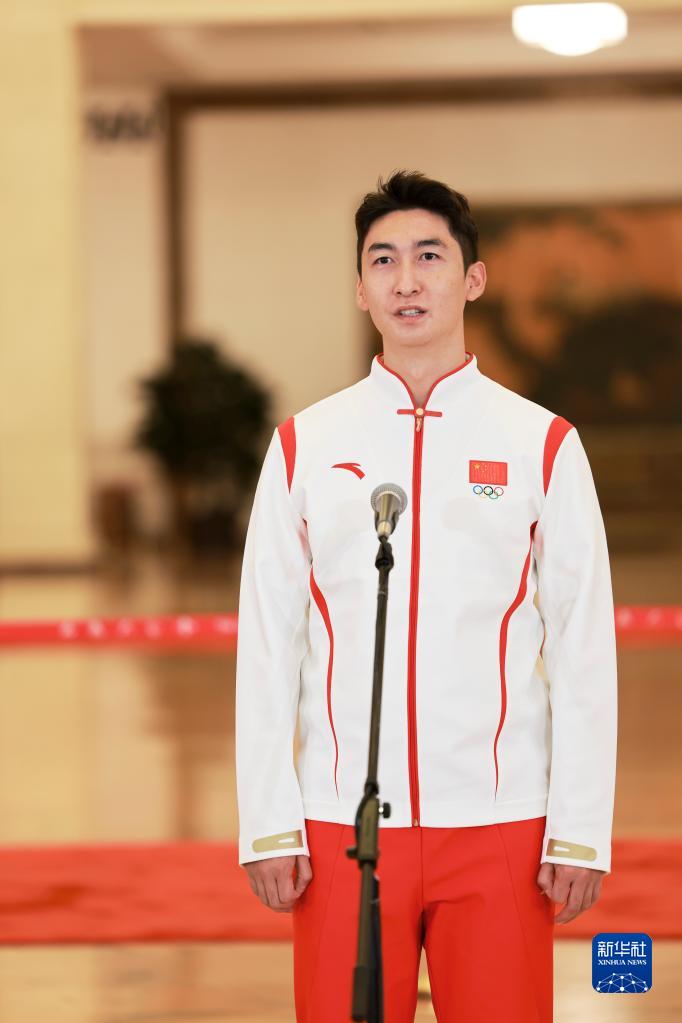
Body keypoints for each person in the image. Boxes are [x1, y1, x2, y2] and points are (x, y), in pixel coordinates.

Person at [235, 170, 618, 1022]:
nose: (406, 280)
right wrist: (268, 819)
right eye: (383, 260)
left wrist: (580, 826)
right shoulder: (304, 444)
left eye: (429, 256)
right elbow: (268, 642)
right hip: (341, 825)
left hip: (500, 823)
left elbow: (584, 645)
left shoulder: (542, 443)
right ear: (360, 287)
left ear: (473, 278)